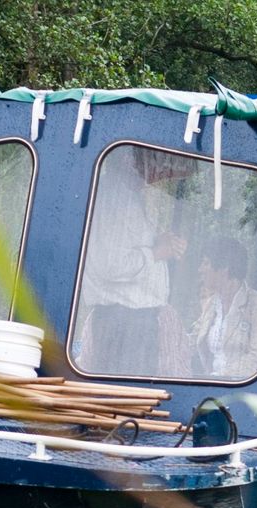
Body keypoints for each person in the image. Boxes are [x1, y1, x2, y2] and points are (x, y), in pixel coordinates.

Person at [77, 148, 194, 375]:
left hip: (134, 325)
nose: (160, 173)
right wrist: (158, 252)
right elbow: (110, 265)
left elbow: (123, 249)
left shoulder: (126, 197)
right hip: (124, 326)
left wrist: (158, 243)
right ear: (129, 160)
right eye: (157, 163)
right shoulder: (113, 198)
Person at [189, 240, 257, 380]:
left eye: (206, 263)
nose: (200, 269)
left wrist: (218, 378)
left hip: (241, 391)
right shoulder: (211, 304)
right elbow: (193, 340)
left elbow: (256, 359)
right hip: (209, 388)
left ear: (224, 267)